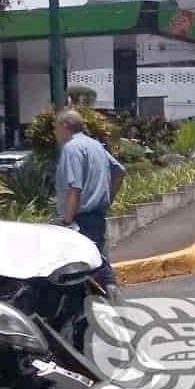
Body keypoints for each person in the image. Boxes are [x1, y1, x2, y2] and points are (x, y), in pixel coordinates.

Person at [53, 109, 126, 300]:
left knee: (86, 263)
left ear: (64, 127)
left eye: (56, 128)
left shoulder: (72, 148)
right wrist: (107, 198)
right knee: (99, 258)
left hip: (80, 217)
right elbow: (119, 171)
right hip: (96, 214)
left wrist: (67, 219)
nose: (56, 133)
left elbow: (74, 187)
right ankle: (110, 297)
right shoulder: (94, 145)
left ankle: (108, 301)